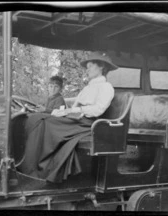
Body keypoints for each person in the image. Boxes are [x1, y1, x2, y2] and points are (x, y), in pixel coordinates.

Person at [17, 52, 118, 183]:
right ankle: (28, 166)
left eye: (90, 66)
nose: (87, 69)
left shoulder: (106, 87)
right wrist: (61, 113)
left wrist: (76, 110)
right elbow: (72, 108)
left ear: (101, 67)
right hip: (77, 120)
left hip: (90, 124)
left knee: (44, 122)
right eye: (87, 67)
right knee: (35, 118)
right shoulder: (88, 88)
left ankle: (41, 170)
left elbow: (98, 109)